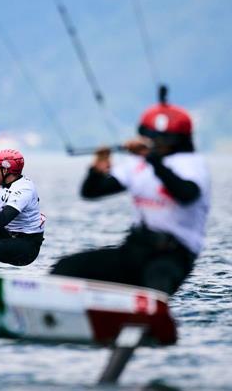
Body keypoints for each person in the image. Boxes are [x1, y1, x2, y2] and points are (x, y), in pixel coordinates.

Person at [51, 97, 210, 295]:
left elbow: (187, 194)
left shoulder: (190, 164)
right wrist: (96, 171)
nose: (155, 143)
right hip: (136, 248)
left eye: (161, 140)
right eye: (151, 137)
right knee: (66, 268)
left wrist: (153, 160)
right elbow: (91, 192)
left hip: (173, 256)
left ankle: (148, 320)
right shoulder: (138, 164)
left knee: (154, 288)